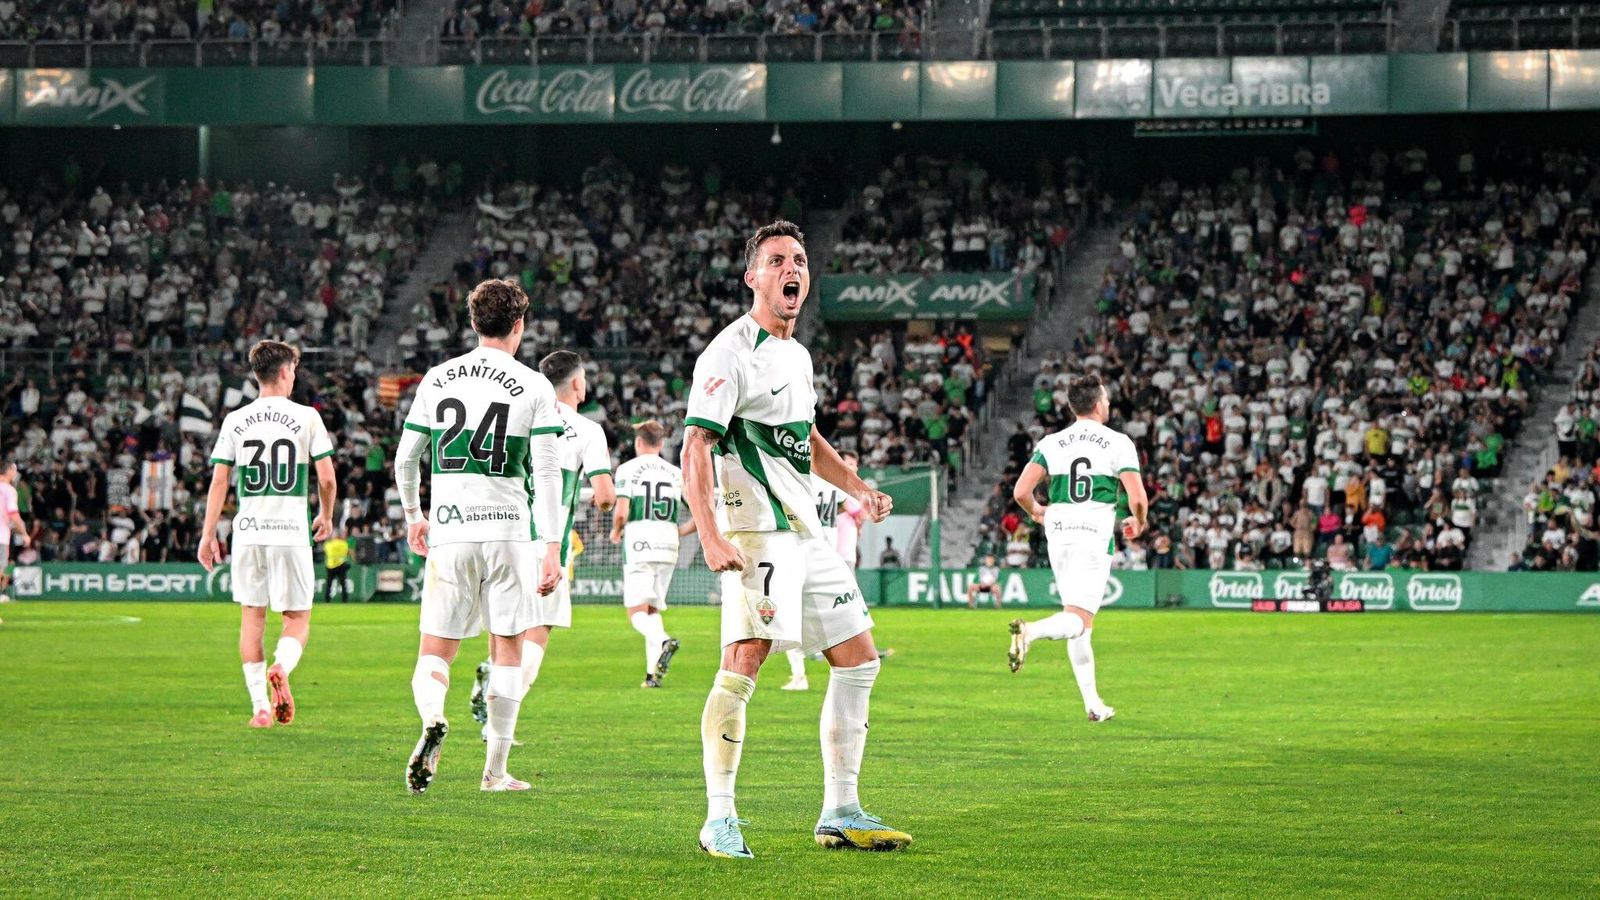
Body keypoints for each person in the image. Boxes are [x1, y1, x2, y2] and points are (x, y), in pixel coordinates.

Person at [684, 220, 911, 859]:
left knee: (859, 657)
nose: (793, 270)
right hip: (757, 533)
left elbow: (804, 442)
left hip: (806, 531)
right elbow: (696, 444)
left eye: (801, 261)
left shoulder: (798, 355)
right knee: (745, 661)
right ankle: (718, 819)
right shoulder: (728, 352)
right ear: (752, 276)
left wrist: (858, 486)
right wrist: (709, 534)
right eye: (779, 260)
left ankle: (840, 809)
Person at [392, 278, 565, 795]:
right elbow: (549, 472)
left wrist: (413, 515)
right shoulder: (535, 385)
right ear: (519, 326)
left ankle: (432, 719)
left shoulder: (437, 378)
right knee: (507, 648)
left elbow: (406, 458)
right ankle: (494, 772)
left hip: (450, 529)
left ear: (473, 323)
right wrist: (551, 545)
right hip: (509, 532)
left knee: (435, 651)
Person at [468, 350, 616, 732]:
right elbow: (603, 495)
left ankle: (491, 681)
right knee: (536, 634)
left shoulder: (516, 412)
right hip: (548, 546)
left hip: (500, 536)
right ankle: (499, 726)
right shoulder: (587, 430)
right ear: (578, 384)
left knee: (504, 629)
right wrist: (599, 496)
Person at [198, 341, 338, 729]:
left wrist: (209, 534)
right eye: (293, 369)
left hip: (248, 532)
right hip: (291, 530)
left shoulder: (235, 420)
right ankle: (282, 665)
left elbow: (220, 480)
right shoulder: (307, 417)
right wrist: (325, 515)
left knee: (251, 618)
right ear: (284, 373)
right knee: (297, 618)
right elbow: (326, 478)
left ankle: (260, 708)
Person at [1006, 373, 1147, 725]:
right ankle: (1031, 632)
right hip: (1092, 532)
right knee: (1078, 620)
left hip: (1059, 530)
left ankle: (1093, 703)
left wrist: (1038, 512)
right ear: (1099, 404)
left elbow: (1021, 492)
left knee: (1079, 619)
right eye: (1108, 399)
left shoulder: (1053, 442)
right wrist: (1138, 521)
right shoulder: (1118, 442)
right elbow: (1138, 497)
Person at [610, 420, 694, 688]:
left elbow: (621, 511)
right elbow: (702, 513)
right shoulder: (674, 472)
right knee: (652, 609)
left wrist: (615, 531)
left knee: (635, 611)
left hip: (639, 543)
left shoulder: (627, 469)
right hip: (668, 544)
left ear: (638, 442)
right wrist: (680, 531)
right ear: (661, 444)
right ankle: (652, 675)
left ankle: (664, 641)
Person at [0, 460, 28, 606]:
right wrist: (24, 533)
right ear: (9, 471)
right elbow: (14, 515)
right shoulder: (9, 490)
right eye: (15, 470)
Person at [323, 530, 351, 603]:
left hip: (330, 566)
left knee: (329, 584)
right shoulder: (344, 544)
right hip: (341, 565)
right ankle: (345, 600)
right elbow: (347, 552)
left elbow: (325, 551)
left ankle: (327, 599)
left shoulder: (328, 544)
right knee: (343, 583)